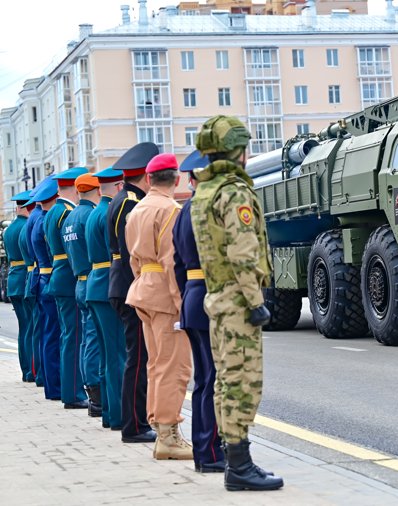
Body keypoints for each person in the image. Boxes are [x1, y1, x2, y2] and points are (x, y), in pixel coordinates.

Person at [192, 115, 283, 491]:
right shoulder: (234, 192)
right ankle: (240, 466)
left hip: (217, 296)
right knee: (243, 382)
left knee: (225, 381)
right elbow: (243, 252)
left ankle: (235, 460)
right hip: (237, 299)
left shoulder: (204, 192)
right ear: (238, 151)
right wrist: (256, 300)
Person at [125, 152, 192, 460]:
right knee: (174, 367)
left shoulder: (136, 211)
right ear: (175, 180)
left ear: (149, 180)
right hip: (165, 295)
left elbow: (134, 260)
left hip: (143, 290)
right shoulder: (170, 210)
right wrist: (182, 306)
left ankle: (159, 426)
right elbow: (171, 261)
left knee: (155, 364)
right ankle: (168, 433)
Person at [173, 150, 225, 473]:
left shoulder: (182, 212)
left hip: (192, 296)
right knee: (214, 379)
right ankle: (210, 452)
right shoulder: (208, 209)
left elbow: (177, 263)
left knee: (203, 379)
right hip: (210, 296)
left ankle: (203, 451)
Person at [108, 142, 158, 444]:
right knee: (138, 359)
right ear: (146, 175)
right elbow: (133, 251)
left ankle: (135, 421)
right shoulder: (130, 203)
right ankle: (135, 426)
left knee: (135, 356)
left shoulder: (120, 199)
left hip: (120, 282)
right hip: (129, 284)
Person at [87, 167, 127, 431]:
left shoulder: (94, 213)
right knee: (117, 356)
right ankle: (118, 415)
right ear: (118, 185)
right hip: (107, 285)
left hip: (94, 284)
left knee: (106, 355)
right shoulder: (108, 212)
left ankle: (109, 414)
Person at [45, 167, 89, 410]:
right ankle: (72, 393)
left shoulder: (53, 212)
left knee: (67, 336)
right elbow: (72, 249)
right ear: (74, 186)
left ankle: (68, 389)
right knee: (73, 338)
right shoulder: (66, 212)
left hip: (58, 275)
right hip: (68, 276)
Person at [62, 172, 104, 419]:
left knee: (85, 340)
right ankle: (96, 395)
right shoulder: (89, 215)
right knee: (94, 341)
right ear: (97, 191)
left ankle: (91, 391)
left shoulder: (70, 217)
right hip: (92, 279)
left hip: (79, 280)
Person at [28, 176, 64, 402]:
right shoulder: (44, 220)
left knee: (47, 334)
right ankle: (55, 386)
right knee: (53, 335)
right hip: (50, 277)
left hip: (42, 277)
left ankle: (50, 382)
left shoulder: (36, 218)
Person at [5, 190, 34, 381]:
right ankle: (30, 371)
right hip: (24, 278)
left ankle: (25, 369)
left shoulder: (9, 229)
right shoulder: (25, 227)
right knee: (30, 328)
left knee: (24, 328)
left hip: (13, 279)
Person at [22, 190, 44, 387]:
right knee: (39, 330)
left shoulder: (25, 224)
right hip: (40, 276)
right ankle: (36, 372)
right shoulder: (38, 219)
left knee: (32, 329)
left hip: (32, 277)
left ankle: (33, 371)